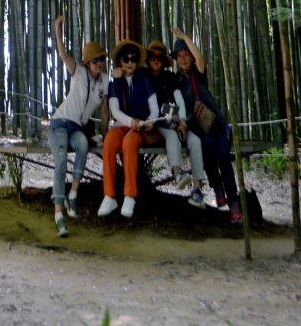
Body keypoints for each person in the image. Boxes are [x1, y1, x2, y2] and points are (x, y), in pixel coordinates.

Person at [171, 27, 242, 223]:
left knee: (224, 160)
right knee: (207, 151)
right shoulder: (176, 81)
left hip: (216, 125)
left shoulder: (197, 73)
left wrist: (185, 37)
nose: (184, 59)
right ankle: (217, 187)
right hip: (198, 128)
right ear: (176, 59)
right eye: (180, 55)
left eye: (187, 54)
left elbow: (200, 58)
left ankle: (234, 202)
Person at [49, 15, 109, 237]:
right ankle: (58, 214)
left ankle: (72, 194)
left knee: (83, 145)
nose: (98, 64)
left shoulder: (105, 80)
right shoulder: (78, 71)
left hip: (78, 129)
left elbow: (104, 111)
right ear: (86, 62)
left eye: (101, 59)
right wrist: (57, 28)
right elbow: (63, 54)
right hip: (59, 124)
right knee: (62, 159)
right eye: (94, 60)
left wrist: (105, 137)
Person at [98, 39, 159, 220]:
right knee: (109, 141)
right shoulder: (114, 83)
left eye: (133, 59)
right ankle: (109, 196)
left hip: (140, 127)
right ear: (120, 62)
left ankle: (130, 196)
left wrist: (149, 120)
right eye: (126, 59)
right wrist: (130, 121)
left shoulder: (145, 81)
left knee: (129, 142)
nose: (130, 62)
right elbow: (115, 111)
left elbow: (154, 107)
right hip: (122, 124)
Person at [145, 40, 206, 208]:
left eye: (159, 57)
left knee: (195, 141)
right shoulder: (142, 75)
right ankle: (177, 173)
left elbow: (178, 98)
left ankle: (198, 190)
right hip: (153, 123)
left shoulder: (170, 77)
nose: (155, 60)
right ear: (147, 59)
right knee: (172, 135)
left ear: (164, 61)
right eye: (152, 57)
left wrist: (183, 122)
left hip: (173, 118)